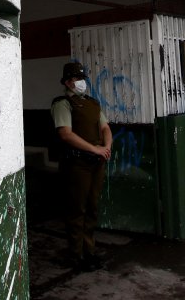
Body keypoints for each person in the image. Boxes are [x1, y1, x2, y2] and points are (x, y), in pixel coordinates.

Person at [51, 62, 112, 271]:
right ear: (68, 82)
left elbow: (105, 127)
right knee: (77, 209)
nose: (81, 82)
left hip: (96, 163)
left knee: (92, 207)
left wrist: (106, 147)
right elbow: (65, 133)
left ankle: (89, 251)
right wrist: (94, 149)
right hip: (76, 164)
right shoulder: (63, 104)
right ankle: (75, 255)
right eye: (77, 79)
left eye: (83, 78)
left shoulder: (93, 104)